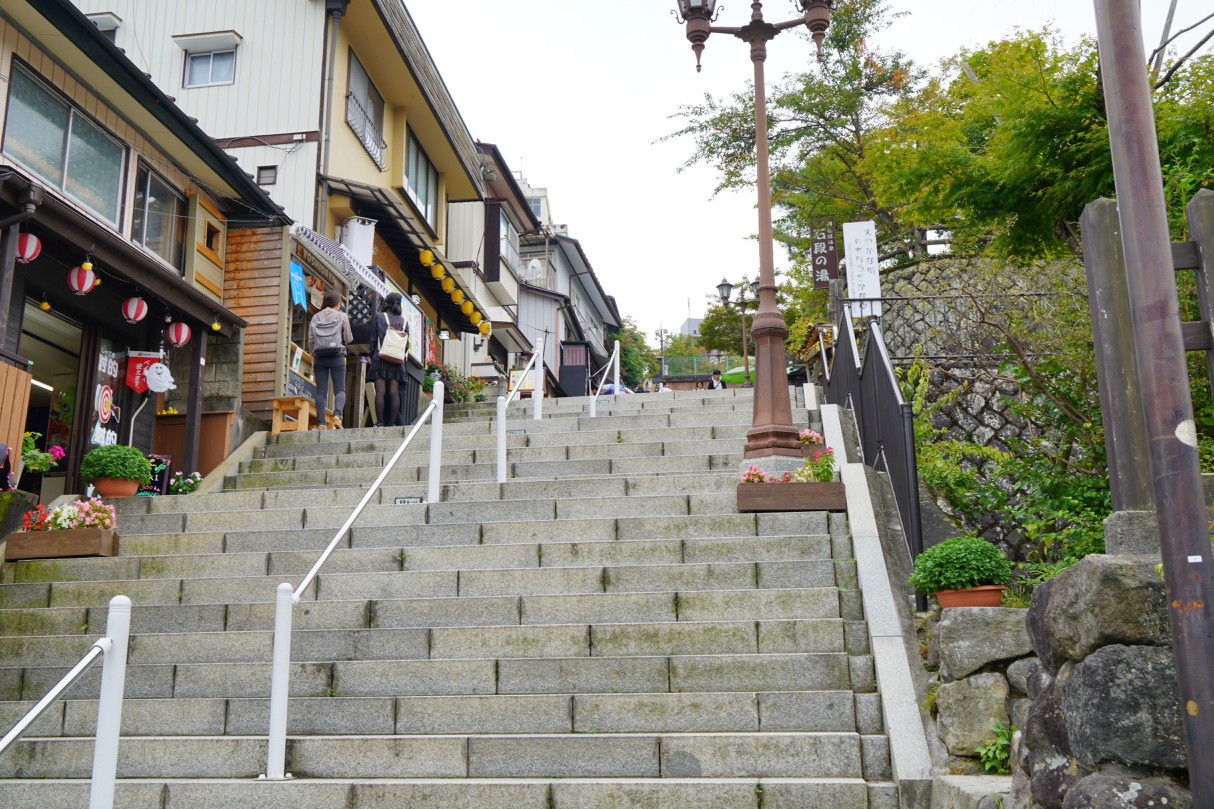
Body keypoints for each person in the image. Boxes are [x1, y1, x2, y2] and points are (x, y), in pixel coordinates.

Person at [306, 289, 353, 428]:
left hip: (320, 357)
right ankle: (337, 416)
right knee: (340, 389)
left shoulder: (315, 318)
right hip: (337, 356)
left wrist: (313, 356)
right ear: (337, 304)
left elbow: (310, 341)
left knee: (321, 391)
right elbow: (348, 339)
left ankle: (321, 423)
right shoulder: (342, 316)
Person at [368, 292, 410, 427]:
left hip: (380, 358)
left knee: (380, 391)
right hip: (397, 361)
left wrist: (372, 356)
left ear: (386, 303)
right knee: (394, 392)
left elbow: (373, 340)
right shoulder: (404, 322)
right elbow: (406, 345)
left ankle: (380, 422)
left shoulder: (380, 317)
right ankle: (391, 423)